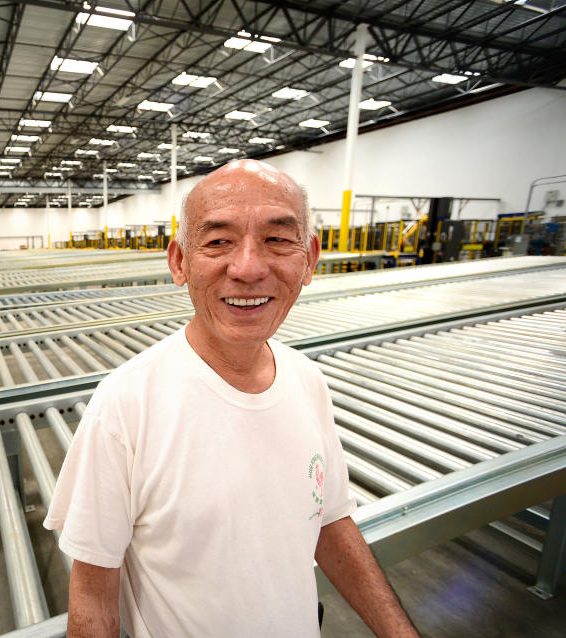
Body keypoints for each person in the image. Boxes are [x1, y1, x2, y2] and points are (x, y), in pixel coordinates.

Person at [44, 159, 419, 637]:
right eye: (218, 241)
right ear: (179, 261)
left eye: (277, 240)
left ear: (309, 259)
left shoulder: (307, 380)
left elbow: (329, 521)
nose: (247, 268)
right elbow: (94, 600)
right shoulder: (126, 405)